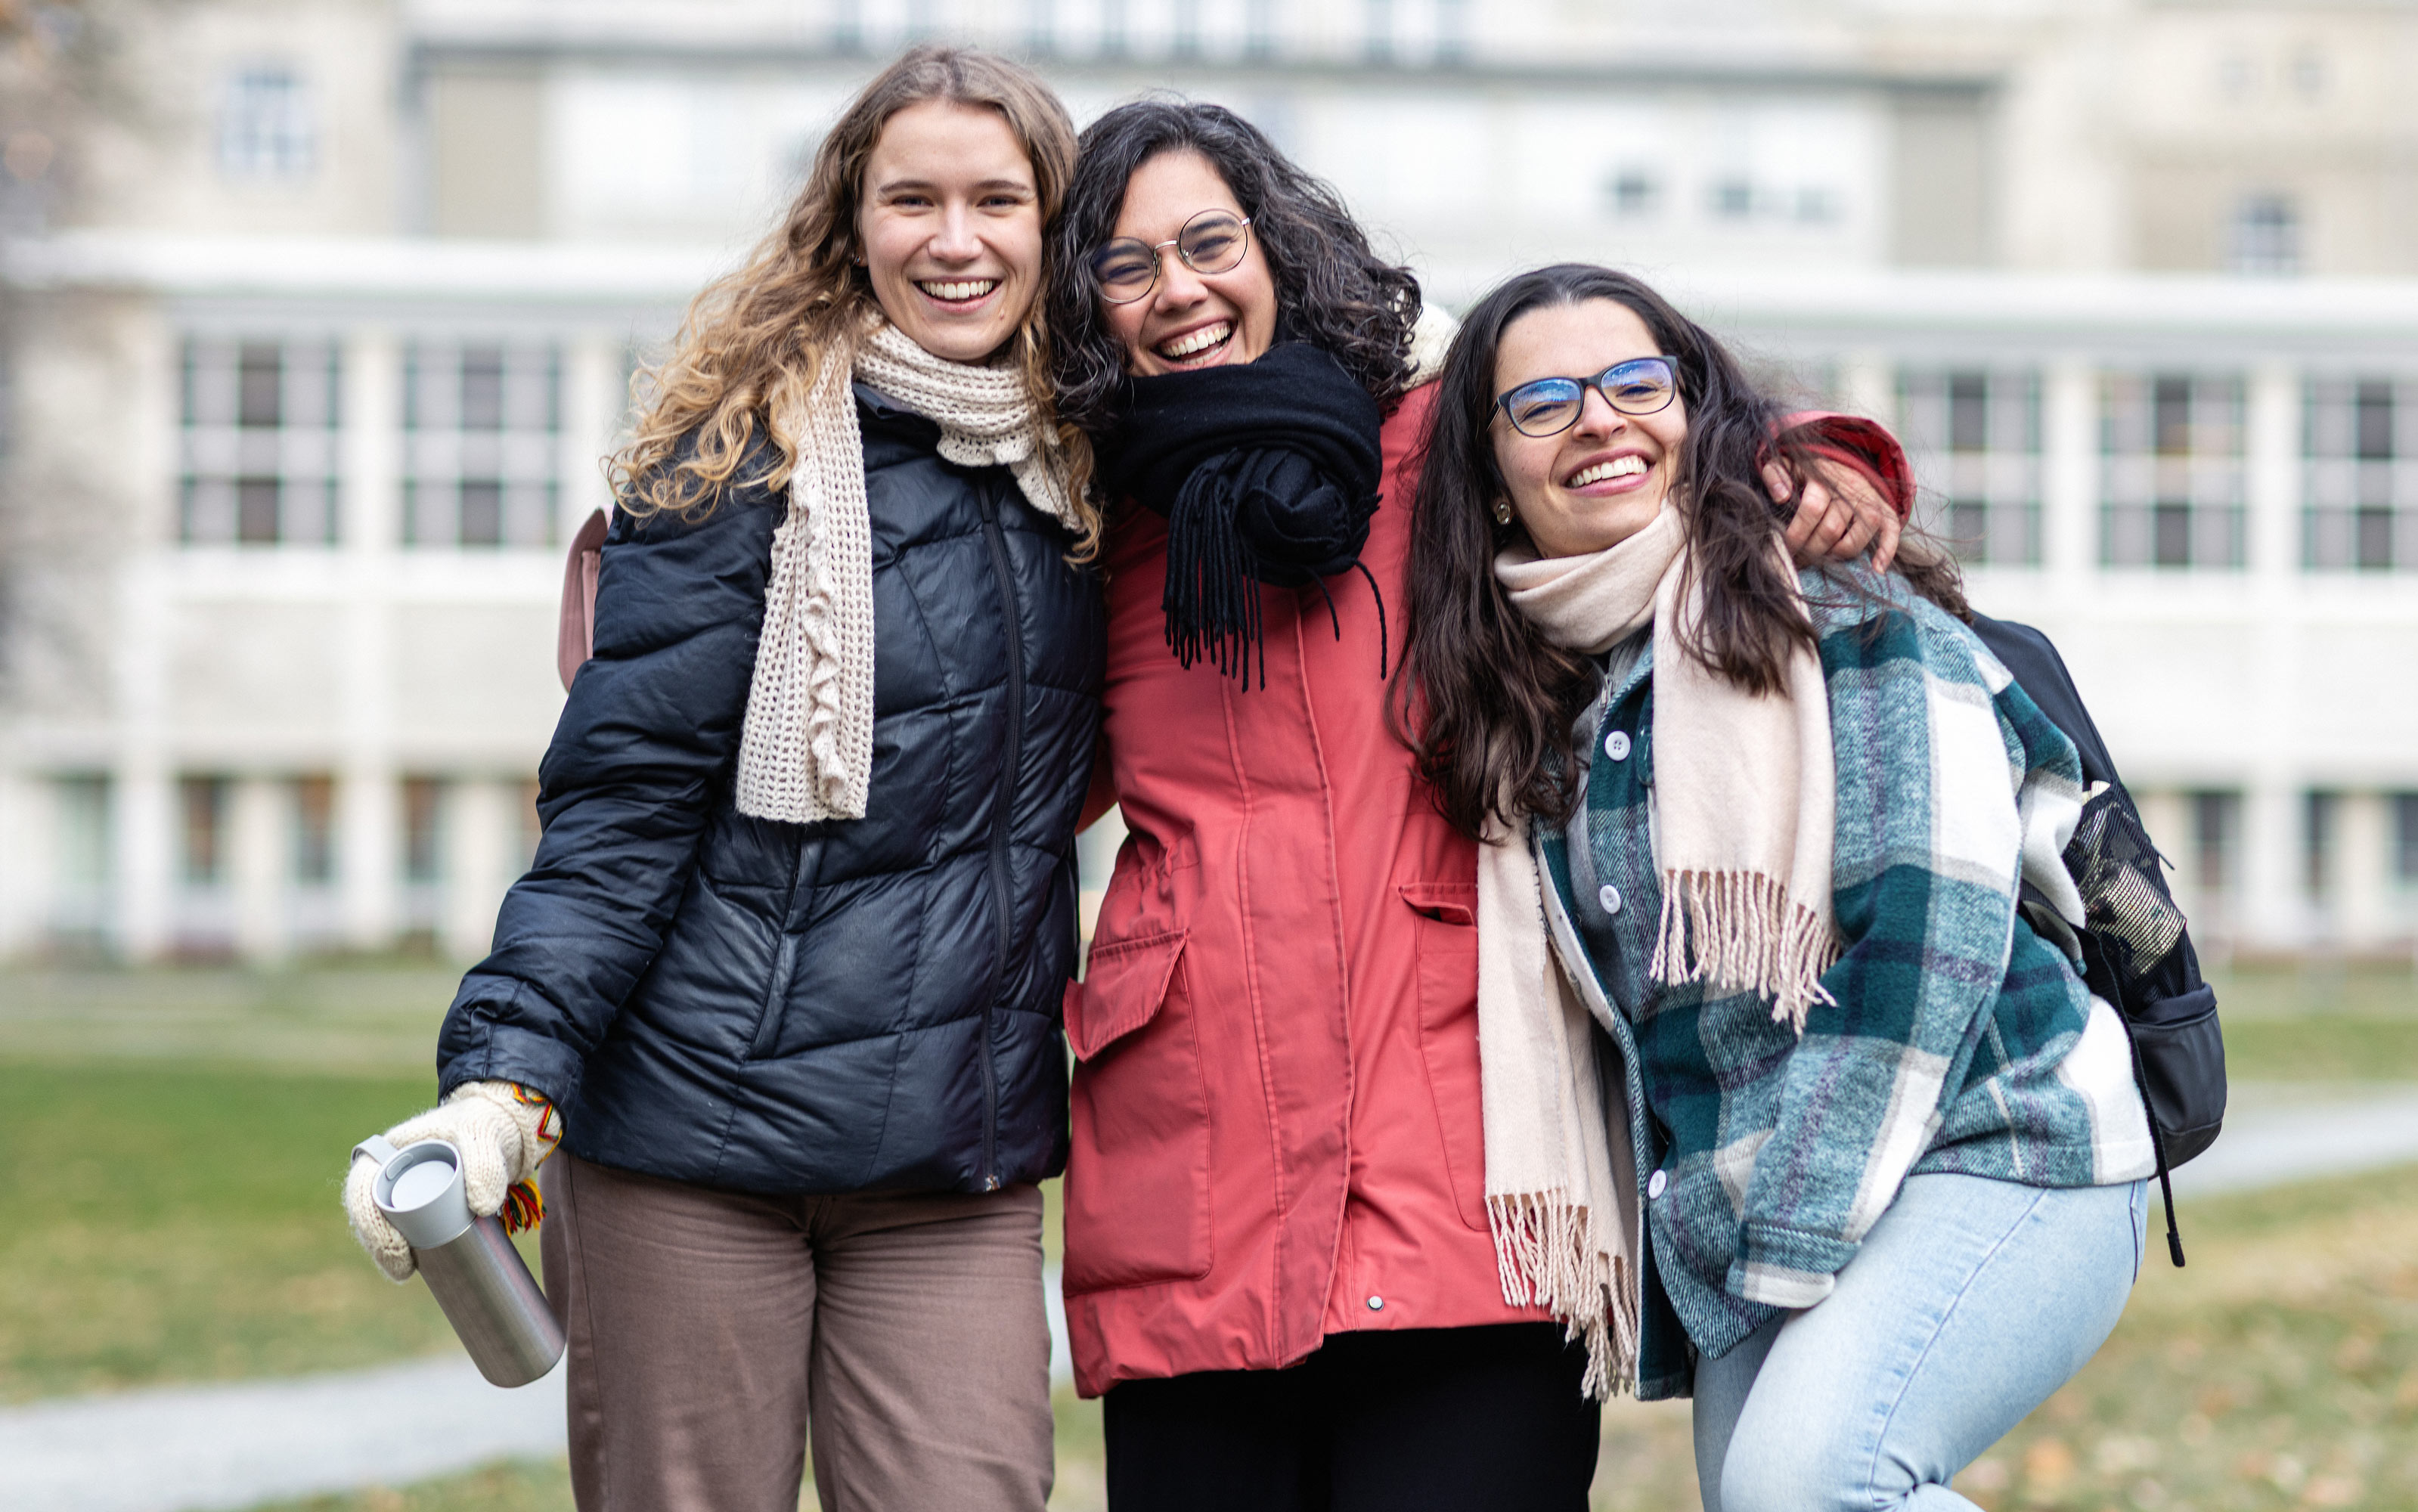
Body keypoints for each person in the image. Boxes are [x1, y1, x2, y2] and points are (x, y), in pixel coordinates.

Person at [1046, 103, 1905, 1512]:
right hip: (1194, 1178)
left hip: (1466, 1164)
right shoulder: (1088, 527)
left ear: (1278, 245)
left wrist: (1800, 455)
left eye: (1210, 241)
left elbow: (1609, 417)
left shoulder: (1423, 444)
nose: (1179, 289)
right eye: (1126, 269)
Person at [339, 47, 1102, 1512]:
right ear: (850, 222)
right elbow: (620, 808)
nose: (956, 238)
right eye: (914, 198)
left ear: (1055, 225)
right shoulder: (736, 463)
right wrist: (500, 1082)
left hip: (952, 1153)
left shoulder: (1089, 466)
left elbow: (1289, 393)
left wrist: (1409, 342)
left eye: (999, 198)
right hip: (687, 1143)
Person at [1397, 262, 2156, 1511]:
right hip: (1765, 1204)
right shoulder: (1532, 707)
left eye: (1635, 382)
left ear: (1693, 414)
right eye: (1540, 403)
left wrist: (1791, 1240)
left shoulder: (1834, 606)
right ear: (1485, 475)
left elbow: (1928, 945)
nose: (1598, 418)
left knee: (1805, 1491)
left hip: (2001, 1141)